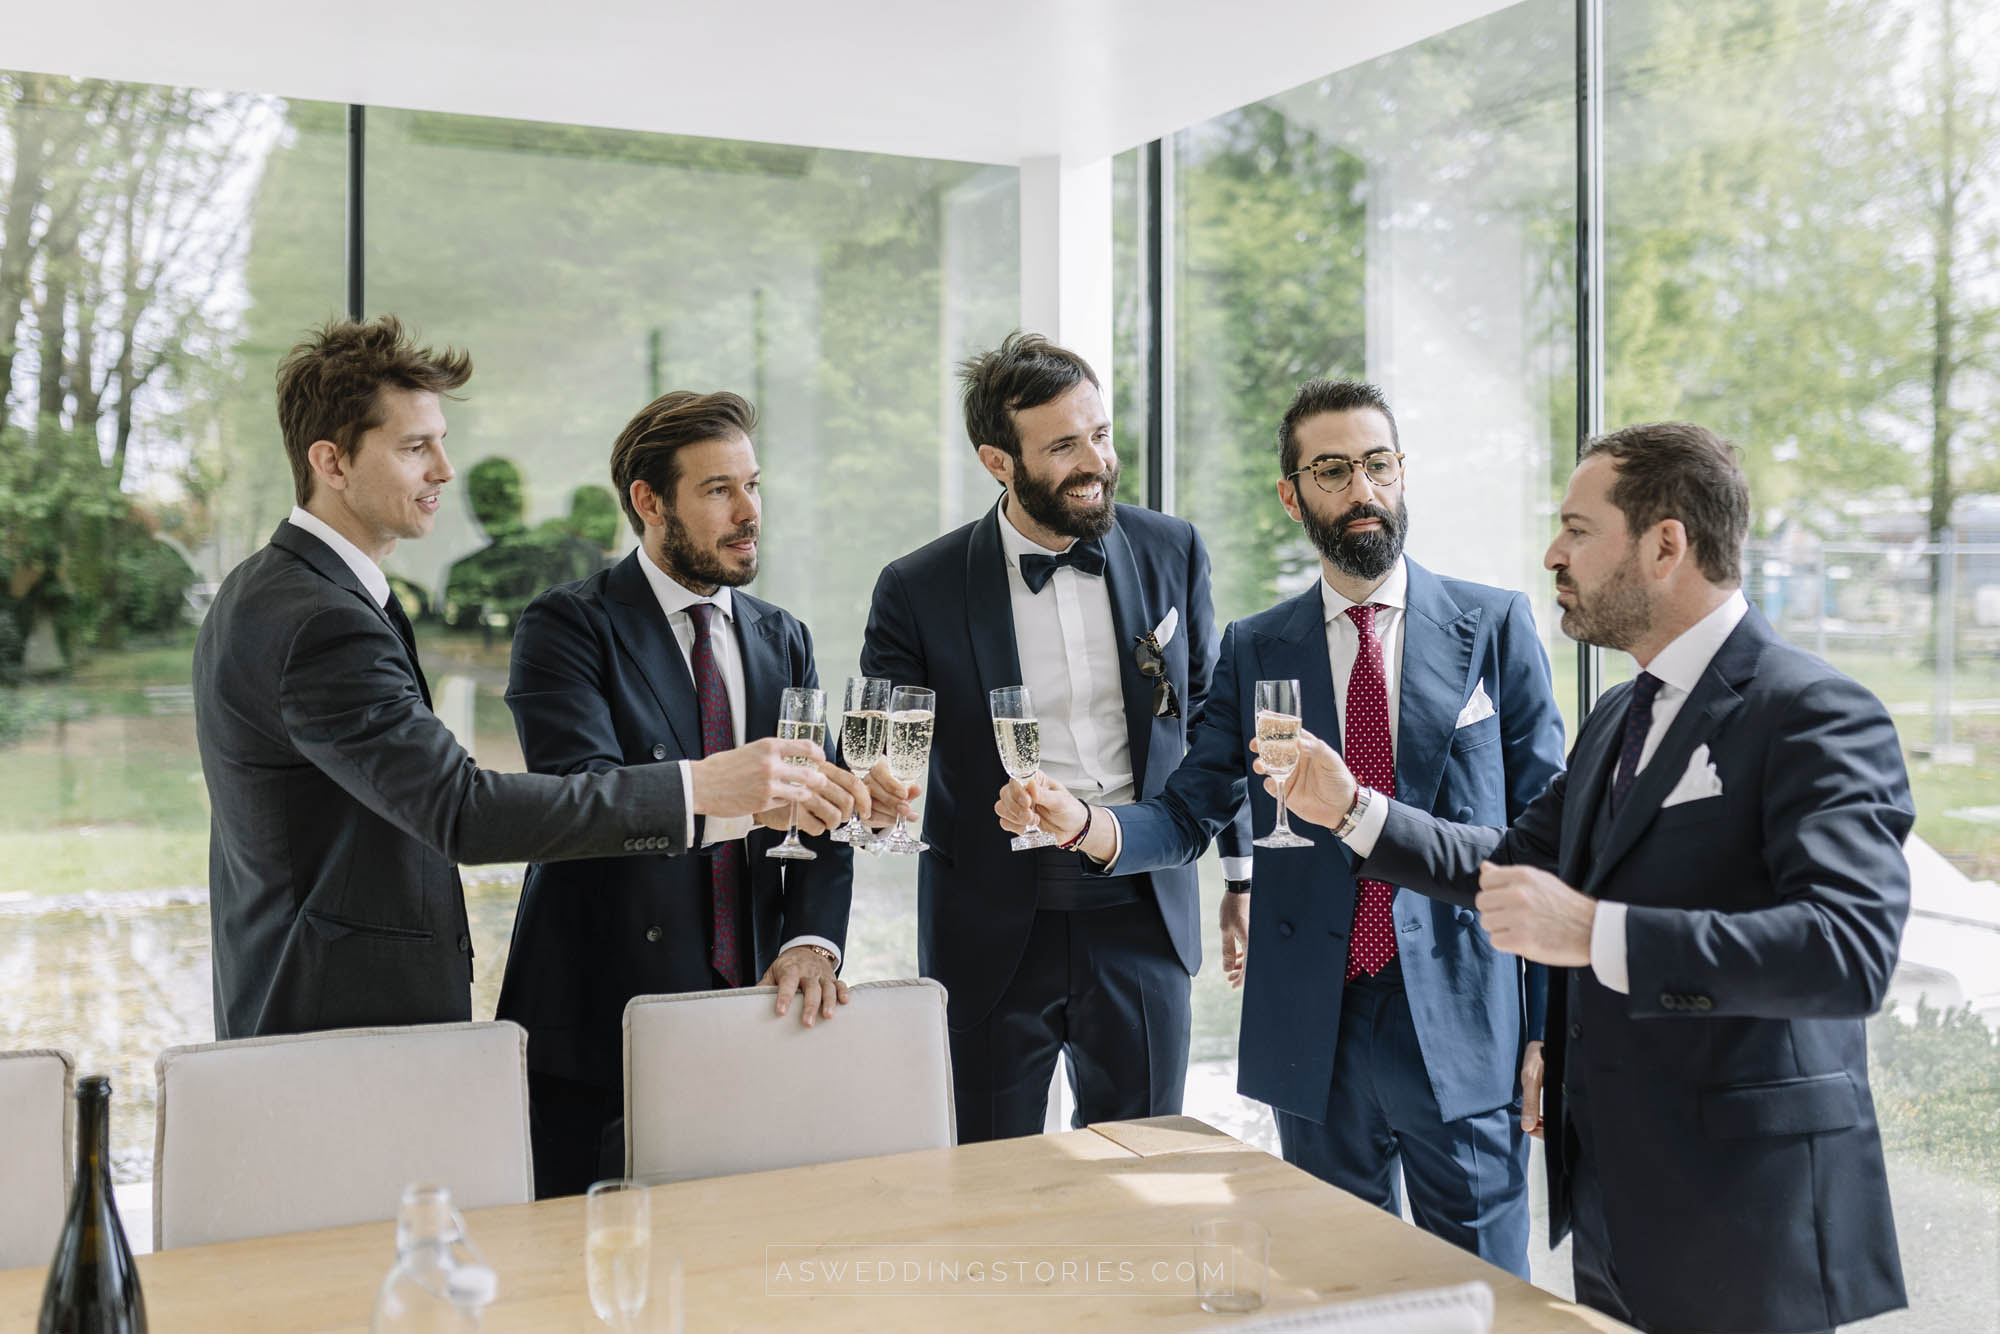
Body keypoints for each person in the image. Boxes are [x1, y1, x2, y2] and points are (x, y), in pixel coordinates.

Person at [1270, 422, 1911, 1333]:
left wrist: (1594, 934)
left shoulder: (1815, 710)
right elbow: (1510, 861)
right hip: (1614, 1209)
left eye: (1577, 529)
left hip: (1748, 1211)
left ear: (1665, 545)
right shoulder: (1619, 713)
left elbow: (1849, 952)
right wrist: (1350, 808)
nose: (1552, 553)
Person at [997, 379, 1565, 1275]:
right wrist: (1086, 826)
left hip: (1463, 1022)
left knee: (1491, 1293)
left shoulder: (1495, 624)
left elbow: (1550, 846)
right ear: (1292, 494)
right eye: (1333, 471)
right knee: (1332, 1290)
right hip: (1315, 1022)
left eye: (1378, 465)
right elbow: (1190, 811)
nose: (1363, 491)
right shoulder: (1259, 645)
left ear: (1403, 474)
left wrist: (1551, 1031)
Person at [193, 318, 848, 1042]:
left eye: (441, 442)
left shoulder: (290, 590)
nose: (445, 469)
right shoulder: (322, 617)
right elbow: (463, 811)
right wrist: (703, 790)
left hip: (321, 1005)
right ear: (332, 461)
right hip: (333, 1021)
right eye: (416, 447)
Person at [861, 330, 1252, 1143]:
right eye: (1064, 446)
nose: (1095, 462)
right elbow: (881, 752)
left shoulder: (1172, 548)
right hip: (991, 922)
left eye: (1100, 435)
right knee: (989, 1178)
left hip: (1143, 903)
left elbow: (1216, 718)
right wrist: (878, 791)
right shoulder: (916, 588)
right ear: (998, 462)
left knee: (1142, 1169)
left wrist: (1241, 877)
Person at [497, 390, 861, 1198]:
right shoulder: (565, 626)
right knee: (580, 1281)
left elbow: (821, 815)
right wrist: (741, 804)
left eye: (754, 486)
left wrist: (811, 941)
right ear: (648, 502)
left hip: (753, 1016)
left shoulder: (782, 635)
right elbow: (576, 801)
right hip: (598, 1023)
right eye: (718, 490)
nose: (748, 512)